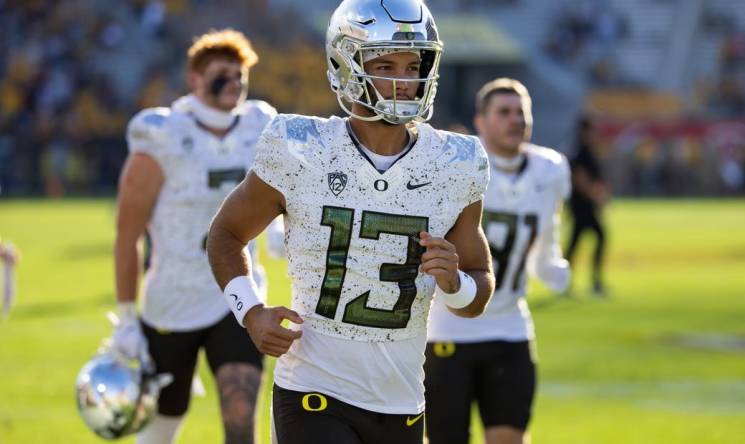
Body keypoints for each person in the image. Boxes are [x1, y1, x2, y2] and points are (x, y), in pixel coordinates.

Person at [205, 1, 494, 443]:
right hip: (314, 391)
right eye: (385, 64)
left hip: (401, 401)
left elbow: (478, 290)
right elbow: (225, 234)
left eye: (414, 64)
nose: (404, 80)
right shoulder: (300, 148)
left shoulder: (455, 163)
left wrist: (456, 284)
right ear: (346, 65)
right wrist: (251, 311)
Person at [112, 29, 278, 444]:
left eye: (239, 73)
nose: (234, 82)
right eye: (222, 73)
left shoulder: (259, 125)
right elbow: (127, 234)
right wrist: (127, 317)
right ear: (194, 79)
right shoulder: (163, 134)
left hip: (236, 291)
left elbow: (281, 191)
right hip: (172, 299)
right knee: (161, 427)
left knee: (241, 420)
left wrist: (279, 230)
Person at [425, 78, 571, 444]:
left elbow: (546, 237)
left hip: (510, 327)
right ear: (481, 121)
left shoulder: (549, 169)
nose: (515, 120)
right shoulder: (456, 168)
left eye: (521, 112)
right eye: (503, 112)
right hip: (448, 329)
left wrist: (552, 266)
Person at [565, 114, 608, 295]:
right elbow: (579, 178)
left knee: (575, 244)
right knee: (598, 236)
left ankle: (566, 283)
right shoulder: (581, 151)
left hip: (582, 205)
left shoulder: (586, 150)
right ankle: (594, 282)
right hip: (581, 205)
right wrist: (595, 195)